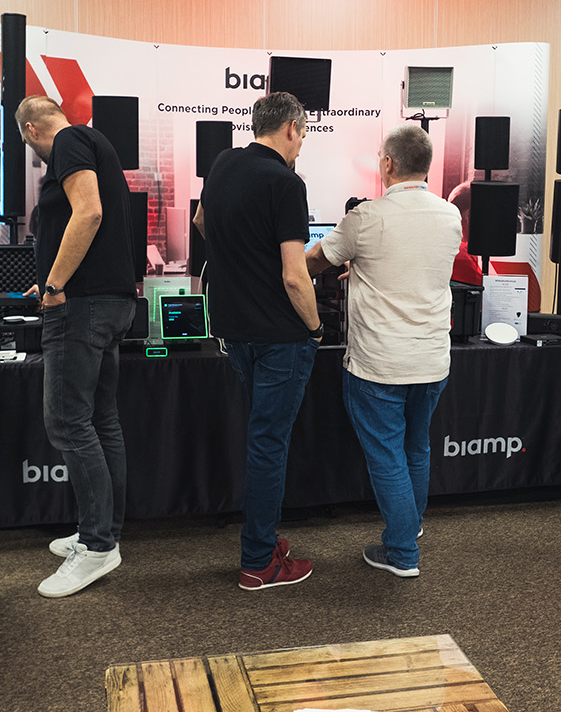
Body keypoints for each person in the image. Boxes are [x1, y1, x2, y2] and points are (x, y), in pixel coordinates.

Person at [306, 125, 460, 577]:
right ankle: (410, 525)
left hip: (379, 365)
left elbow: (313, 262)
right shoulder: (450, 215)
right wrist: (364, 269)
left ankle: (402, 552)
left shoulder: (366, 217)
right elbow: (413, 265)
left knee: (387, 455)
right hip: (431, 360)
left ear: (388, 163)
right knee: (416, 447)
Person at [193, 91, 322, 590]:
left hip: (235, 331)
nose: (302, 144)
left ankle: (263, 539)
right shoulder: (287, 183)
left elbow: (202, 223)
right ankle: (259, 562)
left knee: (262, 438)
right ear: (290, 128)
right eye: (303, 134)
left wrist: (239, 260)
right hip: (279, 337)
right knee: (269, 445)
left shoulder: (223, 163)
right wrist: (315, 327)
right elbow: (294, 275)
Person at [15, 95, 138, 599]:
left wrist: (54, 285)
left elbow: (88, 214)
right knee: (100, 421)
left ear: (30, 131)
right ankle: (103, 531)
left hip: (82, 305)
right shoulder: (93, 140)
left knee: (67, 423)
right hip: (108, 301)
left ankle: (97, 546)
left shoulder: (66, 142)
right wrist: (49, 277)